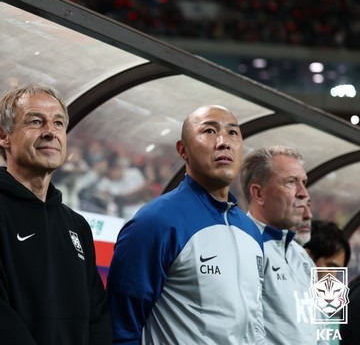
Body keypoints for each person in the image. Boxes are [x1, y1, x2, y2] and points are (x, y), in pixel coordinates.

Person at [0, 83, 112, 344]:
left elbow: (97, 317)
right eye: (36, 122)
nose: (50, 132)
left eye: (58, 123)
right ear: (3, 136)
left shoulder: (76, 226)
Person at [106, 105, 265, 344]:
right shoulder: (155, 222)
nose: (224, 142)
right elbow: (120, 328)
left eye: (233, 133)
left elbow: (254, 321)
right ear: (183, 150)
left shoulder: (251, 231)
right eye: (209, 131)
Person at [241, 145, 316, 345]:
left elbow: (320, 329)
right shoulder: (241, 249)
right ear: (258, 194)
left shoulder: (302, 258)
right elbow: (243, 332)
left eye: (304, 183)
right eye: (291, 182)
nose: (304, 193)